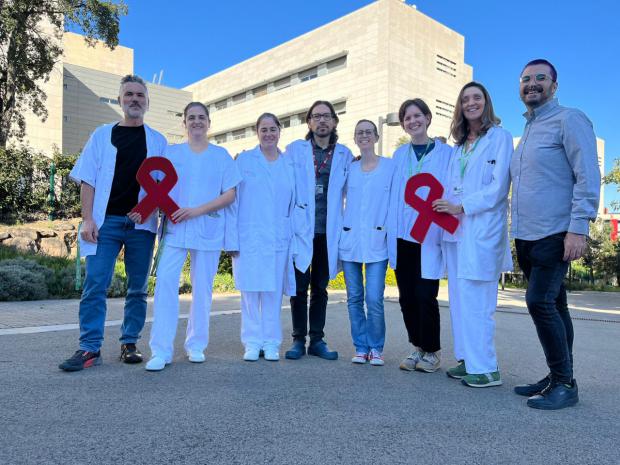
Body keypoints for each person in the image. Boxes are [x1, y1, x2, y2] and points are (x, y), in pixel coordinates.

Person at [59, 75, 167, 372]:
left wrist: (149, 209)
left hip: (141, 226)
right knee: (96, 283)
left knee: (137, 287)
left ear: (147, 102)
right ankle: (89, 348)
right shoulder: (101, 135)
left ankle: (129, 342)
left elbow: (164, 186)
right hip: (105, 223)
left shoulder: (158, 140)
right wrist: (88, 218)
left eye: (140, 95)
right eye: (129, 94)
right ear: (120, 100)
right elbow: (88, 179)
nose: (134, 99)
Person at [510, 59, 600, 409]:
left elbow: (587, 176)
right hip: (527, 235)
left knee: (539, 302)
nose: (532, 84)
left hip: (555, 231)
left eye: (540, 79)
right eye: (525, 79)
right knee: (556, 304)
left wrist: (579, 228)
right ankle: (557, 375)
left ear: (554, 86)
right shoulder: (528, 131)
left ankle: (565, 383)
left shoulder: (570, 119)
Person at [145, 102, 240, 371]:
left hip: (207, 229)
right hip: (175, 229)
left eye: (201, 117)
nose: (196, 121)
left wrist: (196, 211)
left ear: (209, 122)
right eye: (191, 118)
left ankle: (196, 345)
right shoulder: (171, 152)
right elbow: (154, 186)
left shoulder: (221, 156)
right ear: (184, 123)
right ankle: (161, 350)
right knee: (164, 284)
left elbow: (230, 194)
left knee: (202, 289)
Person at [433, 82, 513, 388]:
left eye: (476, 97)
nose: (471, 103)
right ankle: (468, 359)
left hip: (481, 229)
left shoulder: (500, 138)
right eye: (465, 99)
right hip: (456, 232)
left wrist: (460, 206)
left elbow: (496, 188)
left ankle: (487, 367)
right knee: (460, 299)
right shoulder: (459, 147)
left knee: (479, 301)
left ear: (486, 103)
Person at [231, 113, 305, 362]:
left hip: (278, 238)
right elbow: (233, 202)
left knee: (273, 293)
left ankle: (271, 342)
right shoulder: (244, 161)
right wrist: (232, 239)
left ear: (279, 131)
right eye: (264, 129)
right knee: (250, 293)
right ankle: (252, 342)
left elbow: (294, 205)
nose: (268, 134)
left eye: (273, 129)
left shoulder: (289, 165)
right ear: (257, 132)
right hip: (249, 236)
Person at [283, 101, 353, 360]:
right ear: (309, 122)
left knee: (320, 289)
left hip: (328, 232)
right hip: (301, 231)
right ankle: (298, 340)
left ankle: (317, 340)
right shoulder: (295, 151)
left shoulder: (345, 154)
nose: (321, 121)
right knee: (299, 288)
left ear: (334, 122)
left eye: (326, 116)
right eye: (316, 116)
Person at [387, 99, 452, 373]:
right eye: (407, 118)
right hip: (402, 235)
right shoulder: (399, 155)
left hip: (428, 234)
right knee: (406, 297)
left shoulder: (445, 153)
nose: (412, 121)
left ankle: (432, 352)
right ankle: (417, 347)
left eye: (417, 116)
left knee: (426, 295)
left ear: (427, 118)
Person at [339, 120, 395, 366]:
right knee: (354, 297)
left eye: (368, 132)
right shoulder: (348, 169)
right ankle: (361, 347)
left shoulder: (389, 167)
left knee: (373, 297)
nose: (364, 136)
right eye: (359, 132)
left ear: (376, 136)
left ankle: (376, 347)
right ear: (355, 138)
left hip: (377, 241)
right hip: (350, 240)